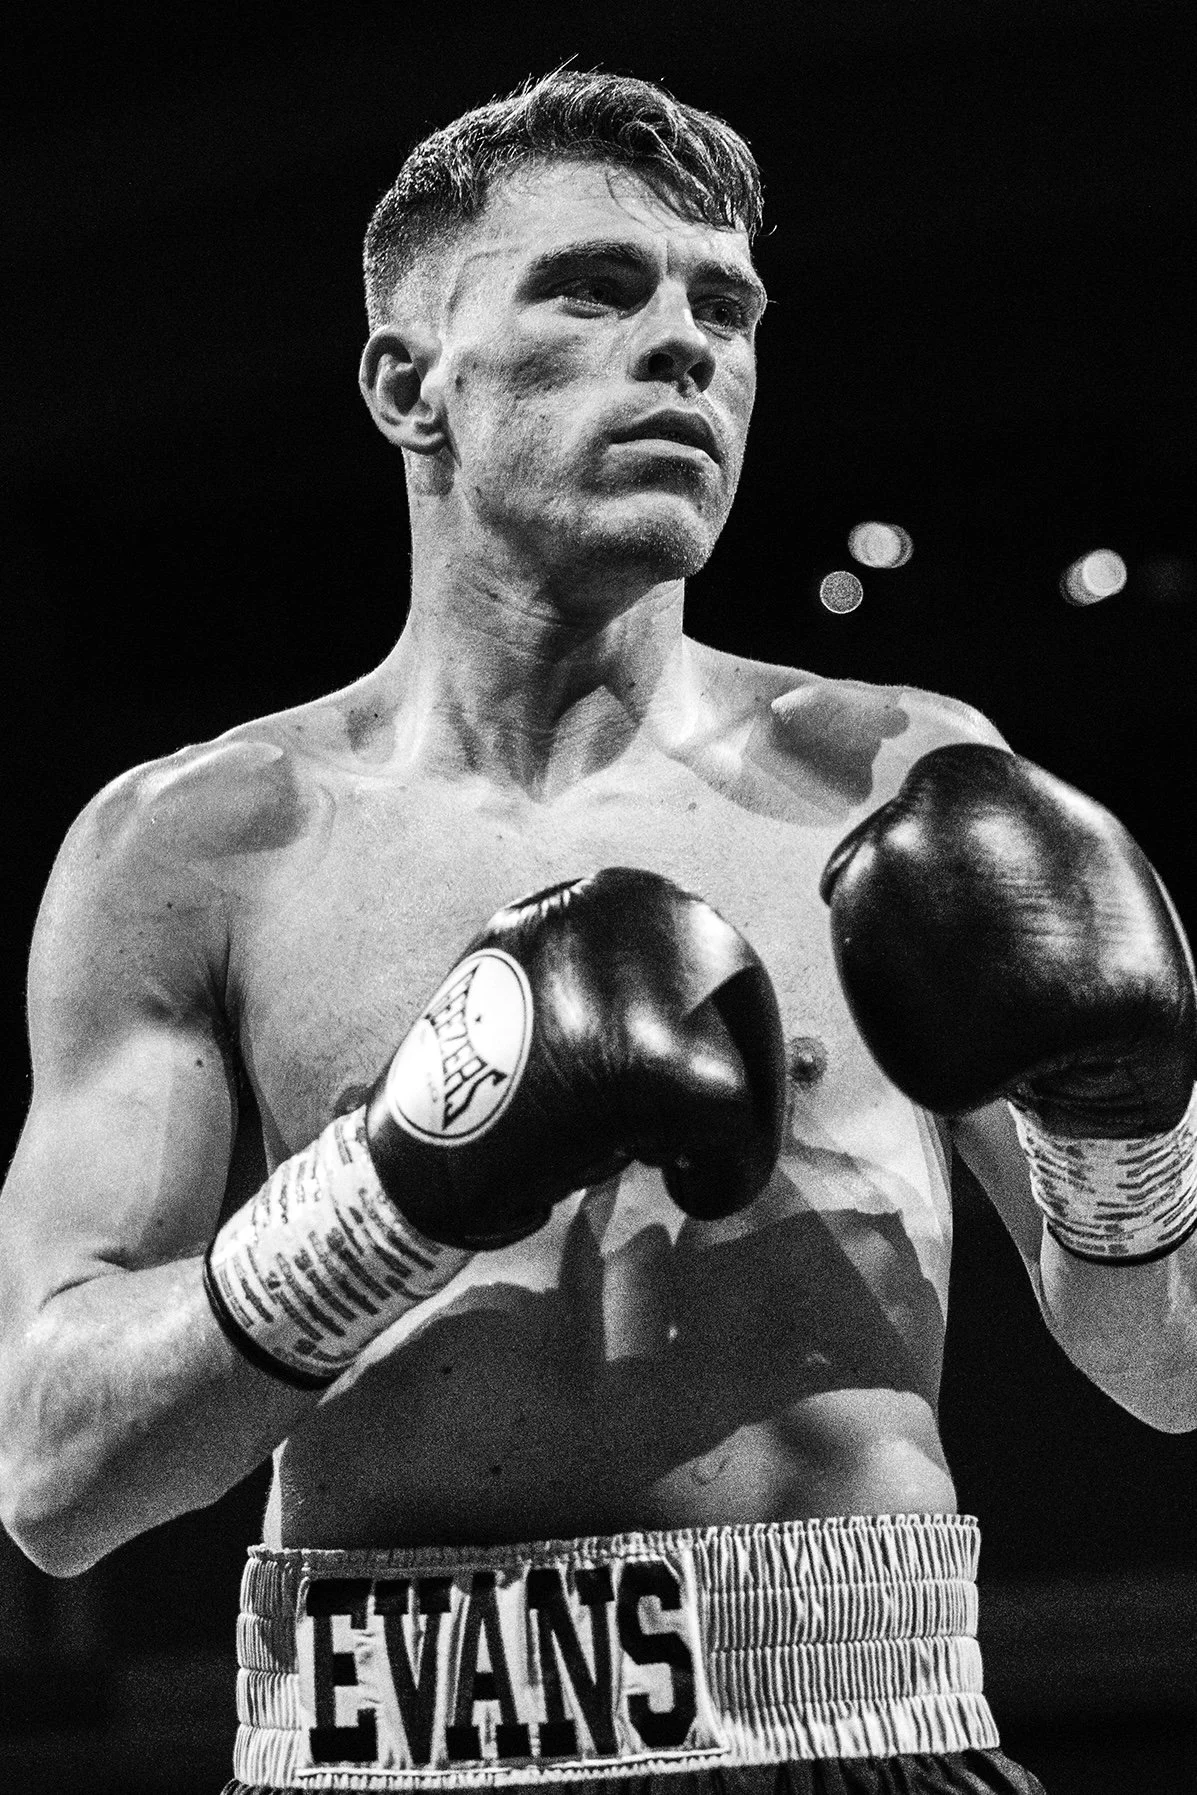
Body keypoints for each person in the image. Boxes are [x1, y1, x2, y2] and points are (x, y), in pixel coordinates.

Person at [1, 67, 1195, 1795]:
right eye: (595, 286)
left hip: (851, 1735)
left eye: (726, 306)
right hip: (389, 1742)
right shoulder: (194, 846)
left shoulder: (898, 779)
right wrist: (398, 1188)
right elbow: (50, 1471)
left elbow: (1162, 1366)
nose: (687, 344)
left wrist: (1132, 1131)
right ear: (410, 384)